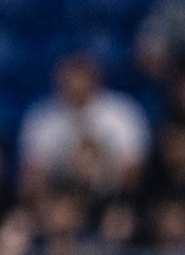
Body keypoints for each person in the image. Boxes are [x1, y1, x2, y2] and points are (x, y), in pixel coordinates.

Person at [19, 53, 150, 201]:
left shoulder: (122, 112)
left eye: (81, 80)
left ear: (96, 80)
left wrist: (100, 173)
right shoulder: (42, 117)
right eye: (69, 81)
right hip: (60, 201)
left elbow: (135, 173)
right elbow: (31, 178)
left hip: (113, 197)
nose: (76, 87)